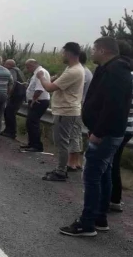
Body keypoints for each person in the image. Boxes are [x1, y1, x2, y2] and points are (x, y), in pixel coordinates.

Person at [59, 36, 133, 237]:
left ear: (103, 50)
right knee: (104, 174)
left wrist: (98, 132)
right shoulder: (110, 68)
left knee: (91, 177)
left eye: (93, 49)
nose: (90, 52)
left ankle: (87, 223)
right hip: (105, 132)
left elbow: (113, 106)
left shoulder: (116, 71)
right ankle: (99, 218)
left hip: (105, 134)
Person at [37, 42, 85, 182]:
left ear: (69, 53)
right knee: (65, 141)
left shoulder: (73, 71)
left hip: (65, 111)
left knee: (61, 143)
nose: (61, 55)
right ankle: (61, 168)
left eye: (63, 52)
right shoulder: (72, 68)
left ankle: (60, 172)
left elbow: (50, 88)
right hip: (69, 110)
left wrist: (42, 77)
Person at [110, 41, 133, 212]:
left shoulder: (124, 73)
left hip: (120, 124)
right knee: (113, 162)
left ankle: (113, 199)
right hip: (129, 124)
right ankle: (114, 198)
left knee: (111, 163)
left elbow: (117, 103)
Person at [21, 59, 51, 152]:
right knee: (30, 123)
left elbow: (40, 89)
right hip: (38, 100)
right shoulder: (37, 72)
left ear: (34, 64)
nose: (27, 68)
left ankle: (37, 145)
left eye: (28, 66)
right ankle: (31, 143)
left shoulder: (40, 72)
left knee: (33, 123)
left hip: (39, 101)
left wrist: (34, 99)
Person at [0, 59, 26, 139]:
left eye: (5, 64)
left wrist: (9, 94)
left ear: (10, 65)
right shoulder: (17, 70)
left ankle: (11, 132)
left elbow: (12, 82)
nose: (4, 66)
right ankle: (8, 130)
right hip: (19, 95)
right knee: (8, 112)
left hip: (16, 95)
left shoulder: (12, 71)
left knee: (9, 113)